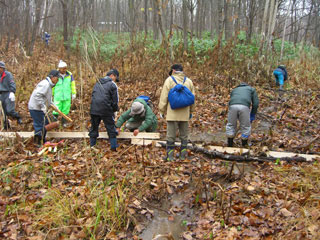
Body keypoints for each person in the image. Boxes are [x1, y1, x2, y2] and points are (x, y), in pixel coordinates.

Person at [159, 64, 195, 161]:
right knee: (184, 135)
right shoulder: (189, 81)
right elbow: (193, 98)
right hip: (185, 113)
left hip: (172, 113)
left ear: (173, 71)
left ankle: (170, 157)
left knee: (171, 135)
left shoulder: (169, 80)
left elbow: (164, 96)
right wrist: (191, 111)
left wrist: (162, 110)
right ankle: (183, 155)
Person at [89, 69, 120, 151]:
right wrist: (114, 111)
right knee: (110, 128)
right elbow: (115, 101)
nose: (115, 81)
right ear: (112, 75)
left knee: (94, 127)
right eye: (115, 78)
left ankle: (92, 145)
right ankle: (113, 147)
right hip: (106, 109)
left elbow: (93, 96)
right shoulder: (112, 85)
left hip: (94, 108)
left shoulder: (97, 83)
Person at [28, 70, 60, 146]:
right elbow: (37, 96)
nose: (57, 80)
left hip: (38, 107)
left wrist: (54, 106)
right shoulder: (45, 84)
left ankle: (42, 139)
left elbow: (48, 99)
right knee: (40, 125)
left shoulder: (49, 85)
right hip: (36, 108)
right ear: (52, 77)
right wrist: (42, 106)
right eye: (57, 78)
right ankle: (38, 142)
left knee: (45, 123)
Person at [226, 82, 259, 147]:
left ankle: (230, 144)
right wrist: (252, 114)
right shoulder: (251, 89)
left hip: (232, 106)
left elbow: (231, 100)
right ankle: (244, 145)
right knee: (245, 126)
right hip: (244, 107)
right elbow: (255, 104)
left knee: (231, 124)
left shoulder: (235, 89)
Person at [52, 60, 76, 126]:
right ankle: (54, 123)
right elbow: (53, 85)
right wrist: (52, 93)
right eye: (63, 68)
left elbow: (72, 84)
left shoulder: (69, 75)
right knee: (56, 109)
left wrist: (73, 93)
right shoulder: (55, 75)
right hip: (58, 95)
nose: (64, 70)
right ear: (59, 68)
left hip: (67, 95)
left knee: (66, 109)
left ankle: (64, 122)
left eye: (65, 68)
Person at [0, 61, 22, 129]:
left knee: (9, 110)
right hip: (1, 94)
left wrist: (12, 92)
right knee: (3, 112)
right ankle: (6, 125)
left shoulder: (8, 75)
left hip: (8, 93)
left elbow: (12, 83)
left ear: (3, 68)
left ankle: (18, 117)